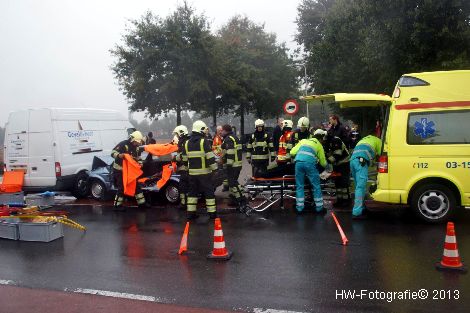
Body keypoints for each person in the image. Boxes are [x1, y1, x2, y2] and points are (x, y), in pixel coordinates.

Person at [183, 120, 218, 220]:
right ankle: (212, 214)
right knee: (208, 192)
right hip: (204, 173)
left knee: (192, 193)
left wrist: (187, 169)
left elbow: (184, 159)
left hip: (192, 173)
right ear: (201, 130)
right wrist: (215, 169)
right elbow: (210, 157)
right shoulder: (204, 141)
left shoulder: (187, 143)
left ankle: (191, 214)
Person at [290, 131, 327, 214]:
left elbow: (292, 152)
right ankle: (319, 208)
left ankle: (299, 208)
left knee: (300, 186)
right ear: (321, 139)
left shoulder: (303, 141)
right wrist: (328, 166)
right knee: (316, 186)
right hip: (310, 164)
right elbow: (323, 163)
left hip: (298, 163)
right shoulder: (319, 144)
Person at [111, 130, 149, 210]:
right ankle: (117, 206)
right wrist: (119, 155)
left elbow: (138, 158)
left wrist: (140, 163)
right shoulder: (123, 144)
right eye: (138, 142)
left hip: (130, 171)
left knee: (136, 186)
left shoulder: (137, 148)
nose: (139, 144)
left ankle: (142, 204)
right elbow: (112, 152)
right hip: (120, 170)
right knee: (122, 187)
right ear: (133, 140)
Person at [350, 134, 382, 219]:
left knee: (358, 187)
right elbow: (381, 156)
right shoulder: (379, 141)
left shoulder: (364, 139)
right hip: (361, 162)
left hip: (353, 161)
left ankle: (362, 208)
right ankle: (357, 212)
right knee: (361, 187)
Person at [220, 124, 247, 211]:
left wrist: (228, 165)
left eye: (222, 130)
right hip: (237, 164)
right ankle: (234, 198)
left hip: (233, 165)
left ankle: (242, 200)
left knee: (233, 183)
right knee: (232, 183)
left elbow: (230, 153)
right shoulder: (233, 137)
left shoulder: (229, 139)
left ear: (225, 130)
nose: (221, 132)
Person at [325, 134, 351, 207]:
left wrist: (327, 162)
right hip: (337, 164)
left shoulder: (336, 140)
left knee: (343, 183)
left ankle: (346, 201)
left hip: (344, 163)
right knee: (338, 183)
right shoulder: (329, 142)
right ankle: (339, 200)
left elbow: (337, 154)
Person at [173, 125, 190, 210]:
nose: (176, 135)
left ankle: (183, 204)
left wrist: (174, 158)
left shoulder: (183, 142)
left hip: (184, 167)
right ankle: (187, 203)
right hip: (188, 167)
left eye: (177, 134)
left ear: (181, 133)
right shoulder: (187, 140)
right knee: (187, 186)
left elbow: (182, 155)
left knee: (183, 186)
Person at [212, 125, 228, 191]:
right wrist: (220, 156)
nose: (221, 132)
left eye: (222, 130)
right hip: (220, 158)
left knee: (227, 172)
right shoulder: (216, 139)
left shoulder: (224, 137)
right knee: (223, 173)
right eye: (219, 130)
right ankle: (226, 186)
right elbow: (214, 149)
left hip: (225, 157)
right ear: (217, 131)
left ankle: (228, 186)